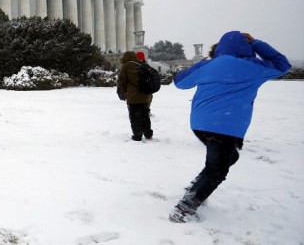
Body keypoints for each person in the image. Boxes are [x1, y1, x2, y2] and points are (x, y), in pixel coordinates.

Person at [169, 32, 291, 223]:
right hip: (224, 126)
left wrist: (205, 63)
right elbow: (282, 65)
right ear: (247, 48)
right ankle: (184, 209)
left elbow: (179, 82)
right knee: (217, 170)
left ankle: (195, 188)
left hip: (200, 124)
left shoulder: (209, 65)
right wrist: (257, 43)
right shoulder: (254, 67)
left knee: (228, 158)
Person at [117, 51, 153, 141]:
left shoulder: (126, 66)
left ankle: (137, 135)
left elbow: (121, 81)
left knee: (135, 117)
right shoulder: (141, 64)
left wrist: (125, 92)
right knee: (145, 116)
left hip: (133, 97)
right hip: (145, 96)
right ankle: (148, 134)